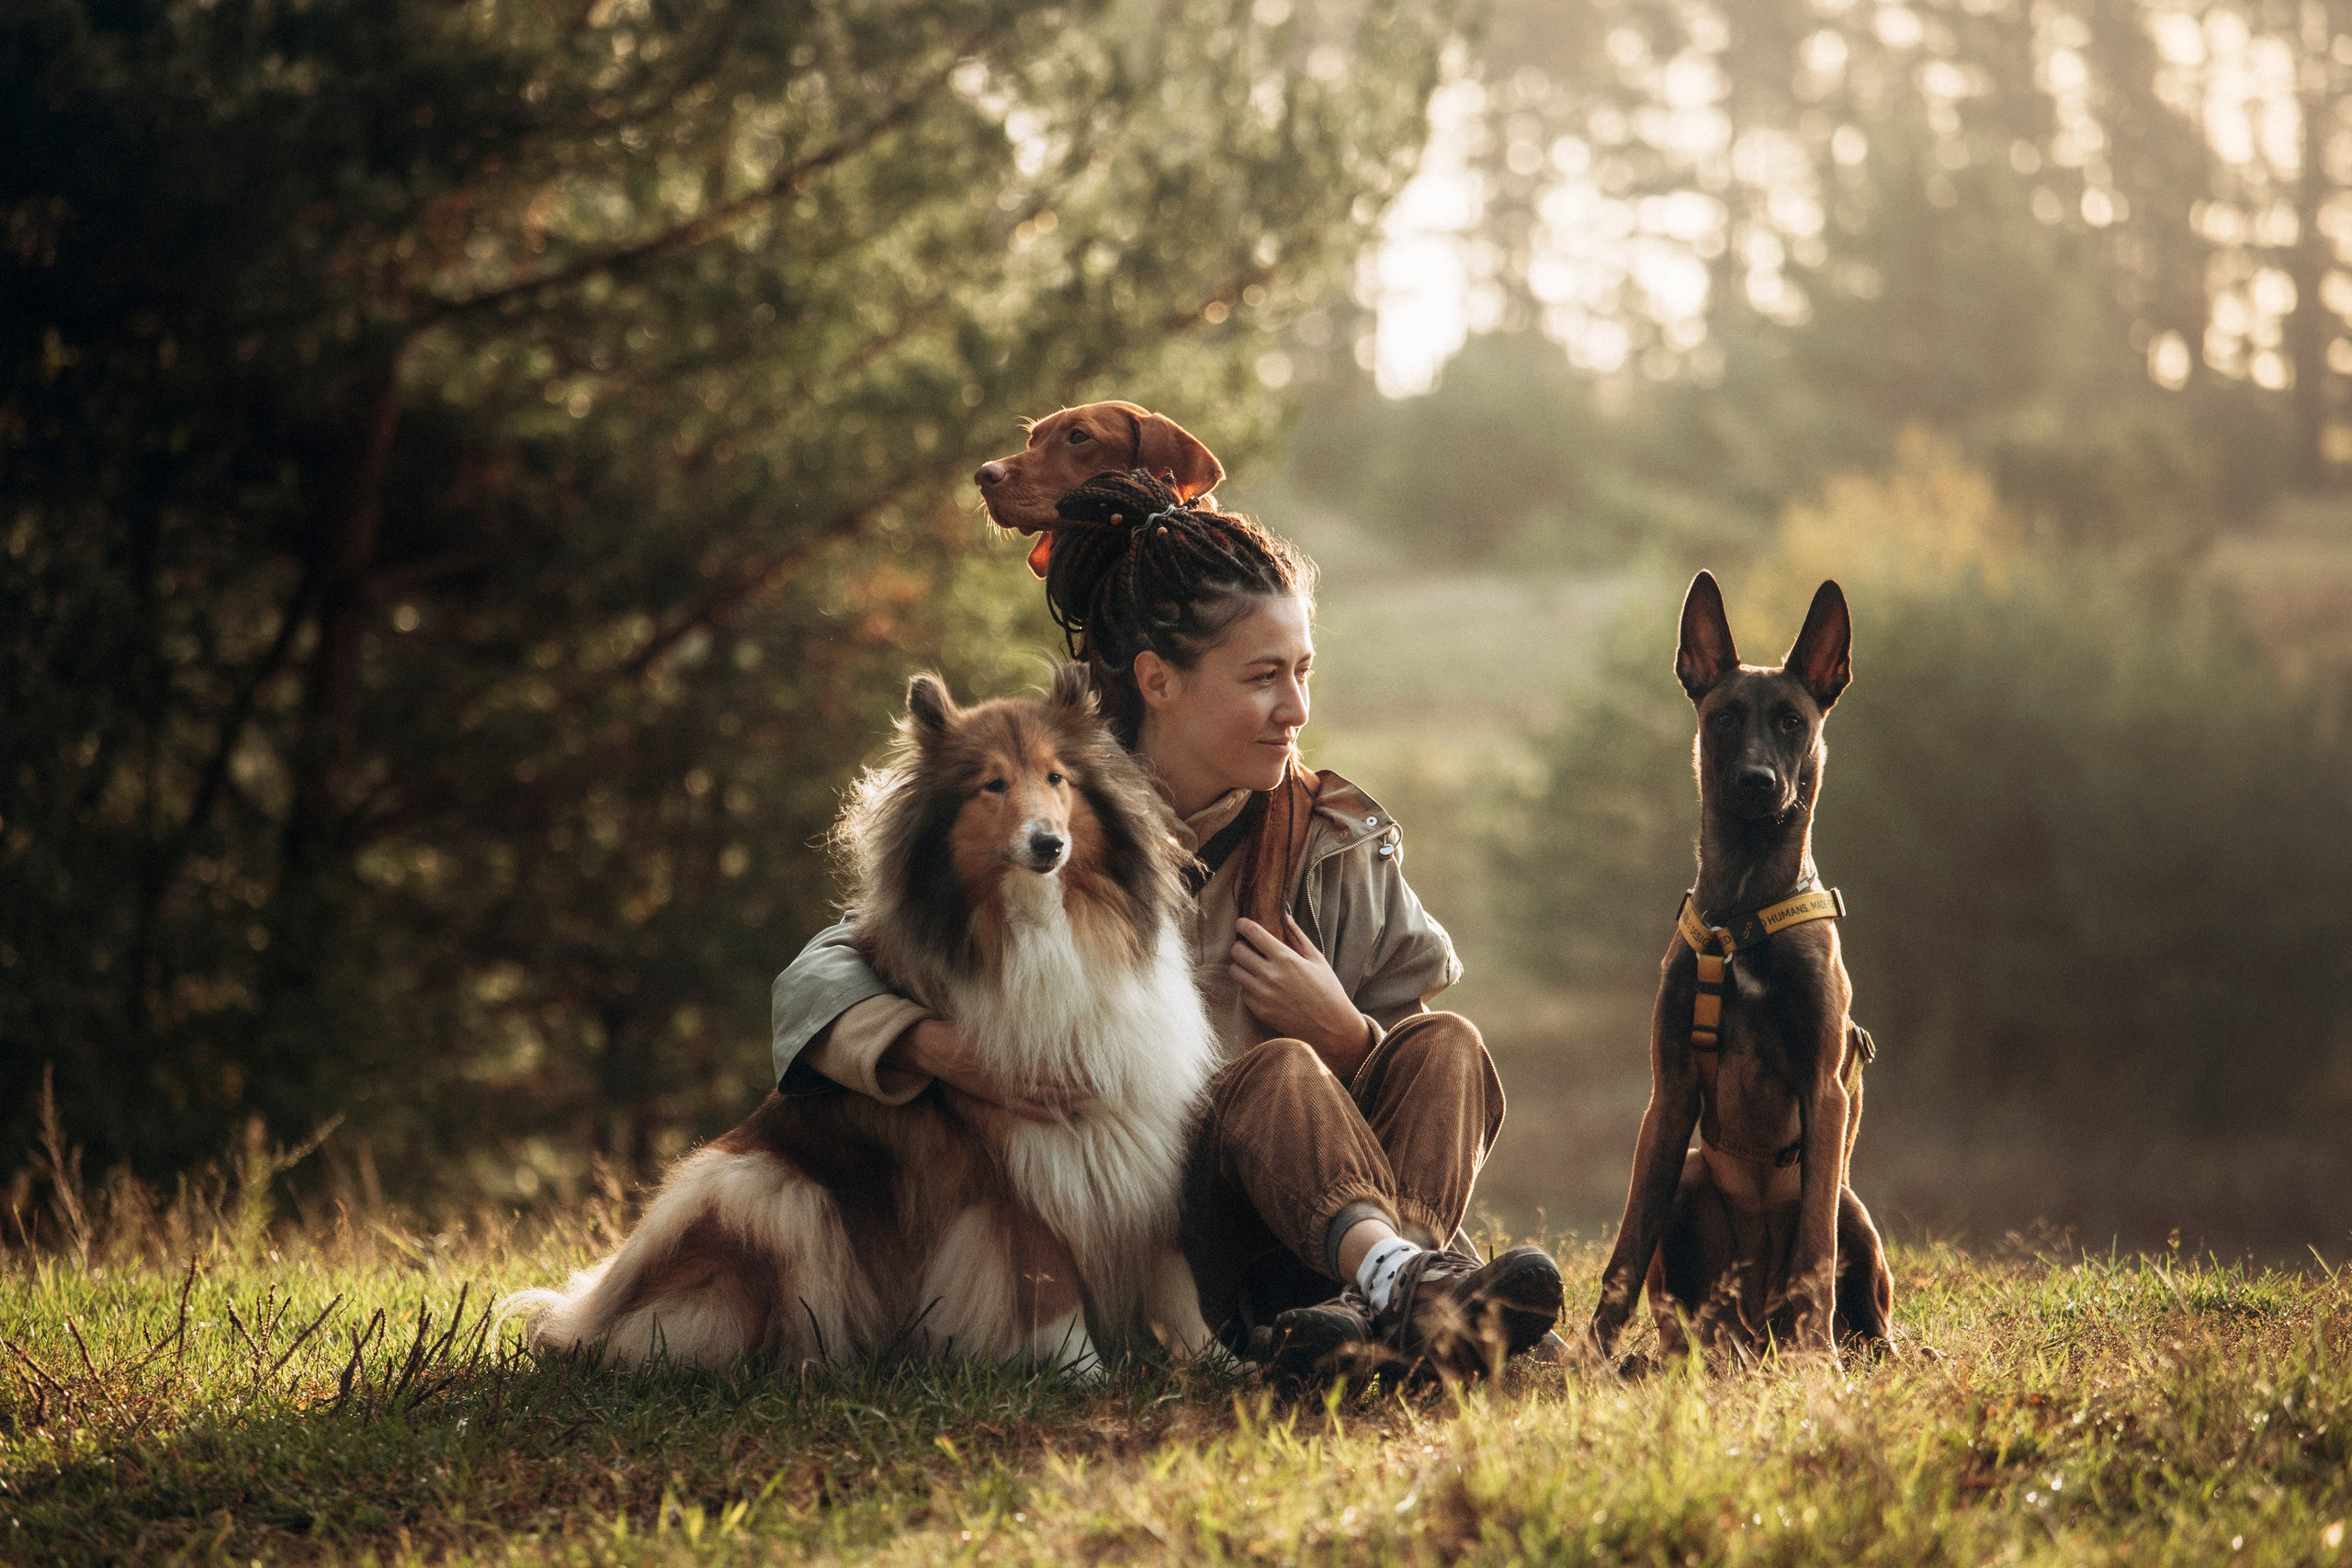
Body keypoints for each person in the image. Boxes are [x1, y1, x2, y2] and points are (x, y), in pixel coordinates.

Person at [769, 470, 1563, 1377]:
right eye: (1263, 678)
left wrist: (1350, 1033)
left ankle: (1382, 1314)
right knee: (1276, 1073)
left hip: (1334, 1234)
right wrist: (945, 1052)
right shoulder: (1069, 821)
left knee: (1446, 1045)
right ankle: (1411, 1304)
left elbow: (1413, 1077)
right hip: (1179, 1239)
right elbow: (825, 970)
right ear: (1158, 681)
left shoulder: (1337, 836)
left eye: (1303, 672)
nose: (1296, 710)